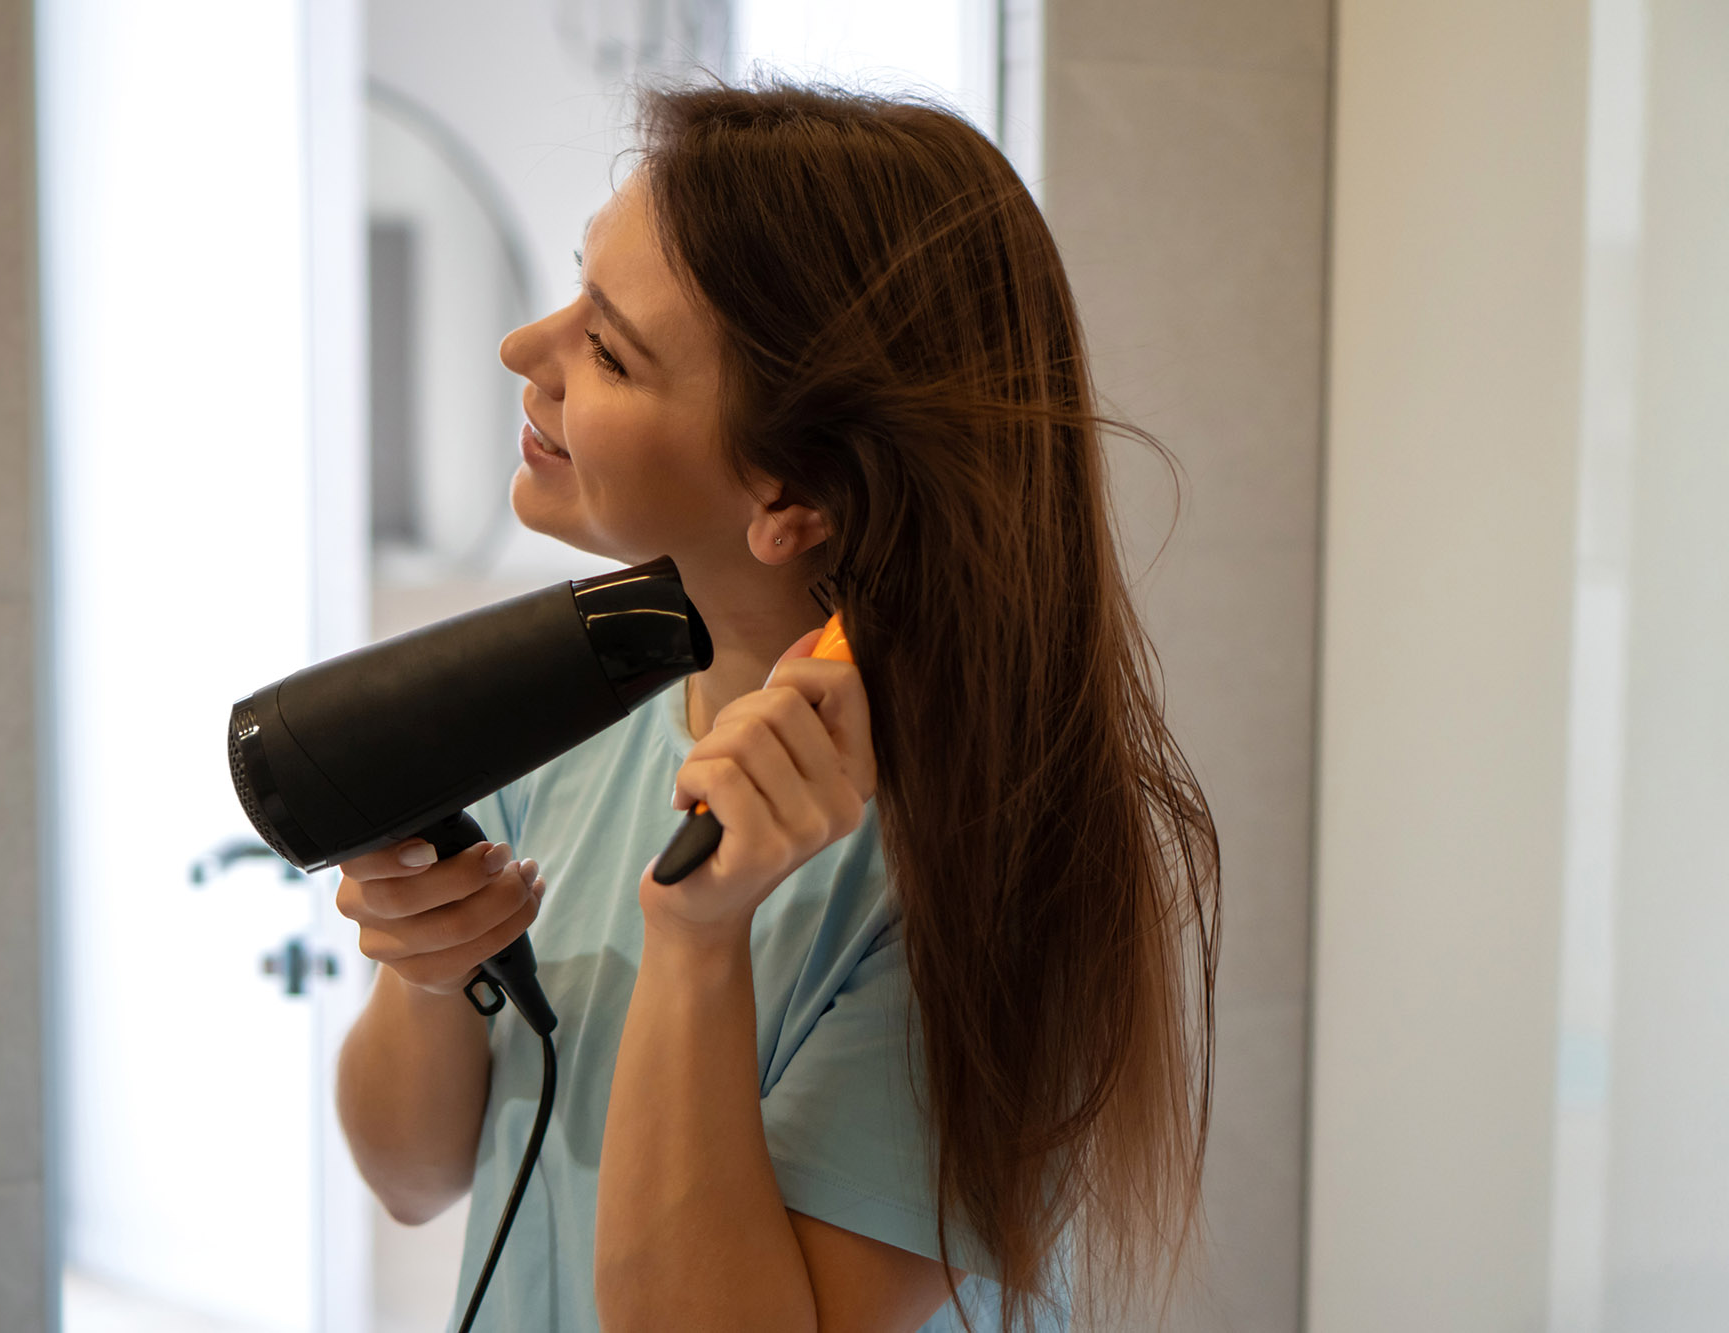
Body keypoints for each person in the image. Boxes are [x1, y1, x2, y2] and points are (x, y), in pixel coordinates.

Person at [332, 79, 1221, 1333]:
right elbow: (412, 1173)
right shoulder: (566, 715)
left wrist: (699, 945)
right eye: (576, 290)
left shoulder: (979, 860)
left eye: (606, 345)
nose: (525, 352)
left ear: (789, 499)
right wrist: (428, 974)